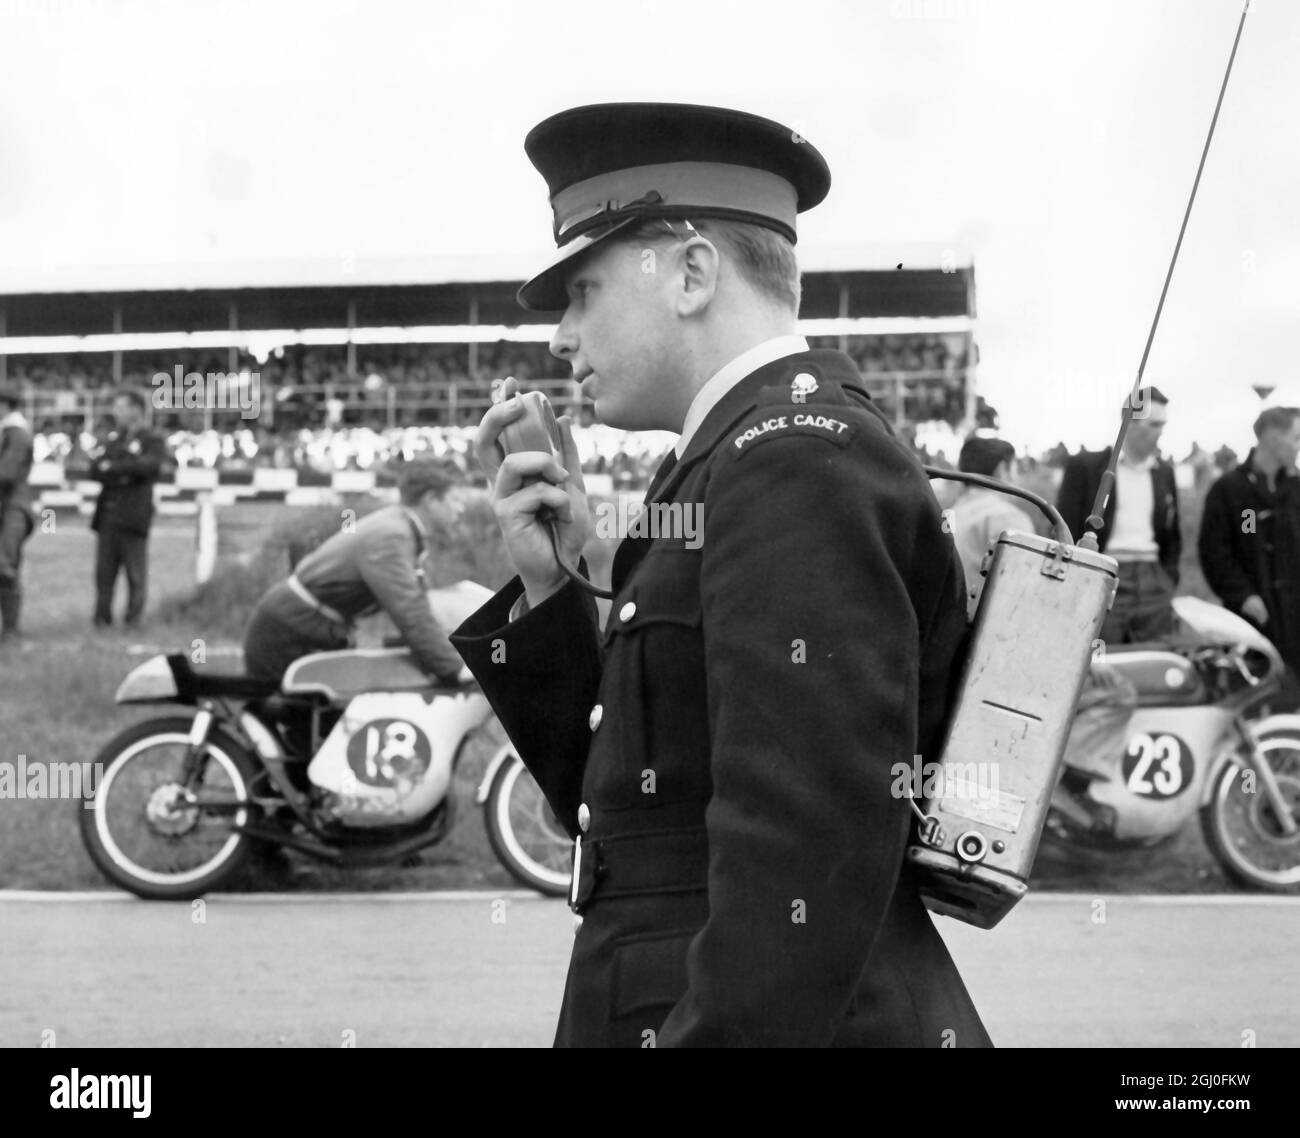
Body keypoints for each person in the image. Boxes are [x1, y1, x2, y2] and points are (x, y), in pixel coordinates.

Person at [450, 103, 991, 1047]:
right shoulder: (731, 460)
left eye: (583, 291)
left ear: (691, 273)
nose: (559, 337)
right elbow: (627, 806)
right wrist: (554, 588)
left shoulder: (791, 460)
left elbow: (803, 858)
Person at [242, 458, 471, 686]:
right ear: (431, 500)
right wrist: (454, 669)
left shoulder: (397, 526)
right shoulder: (391, 536)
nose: (461, 509)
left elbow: (420, 605)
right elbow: (410, 612)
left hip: (307, 626)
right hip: (290, 633)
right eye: (455, 500)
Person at [1056, 386, 1181, 644]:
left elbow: (1172, 533)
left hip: (1153, 581)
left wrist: (1167, 578)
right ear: (1130, 423)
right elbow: (1063, 526)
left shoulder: (1164, 473)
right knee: (1100, 664)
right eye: (1154, 424)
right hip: (1103, 574)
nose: (1161, 433)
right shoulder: (1086, 467)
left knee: (1151, 664)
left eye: (1163, 425)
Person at [1198, 406, 1300, 679]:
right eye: (1296, 438)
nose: (1298, 447)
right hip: (1251, 621)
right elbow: (1215, 553)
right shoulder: (1231, 490)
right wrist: (1243, 595)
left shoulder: (1296, 489)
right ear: (1271, 438)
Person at [89, 389, 168, 628]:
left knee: (135, 574)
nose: (116, 412)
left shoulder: (152, 439)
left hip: (133, 517)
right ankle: (102, 620)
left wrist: (113, 468)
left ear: (136, 409)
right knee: (103, 574)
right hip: (108, 516)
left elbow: (148, 468)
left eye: (121, 407)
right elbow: (94, 469)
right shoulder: (115, 440)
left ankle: (133, 622)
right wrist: (125, 469)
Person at [951, 435, 1036, 615]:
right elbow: (1022, 591)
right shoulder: (1008, 517)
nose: (1017, 478)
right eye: (1015, 468)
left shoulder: (948, 514)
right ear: (1002, 469)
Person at [0, 386, 35, 642]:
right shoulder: (9, 431)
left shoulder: (17, 433)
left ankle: (11, 630)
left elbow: (7, 473)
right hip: (10, 506)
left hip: (12, 507)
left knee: (5, 565)